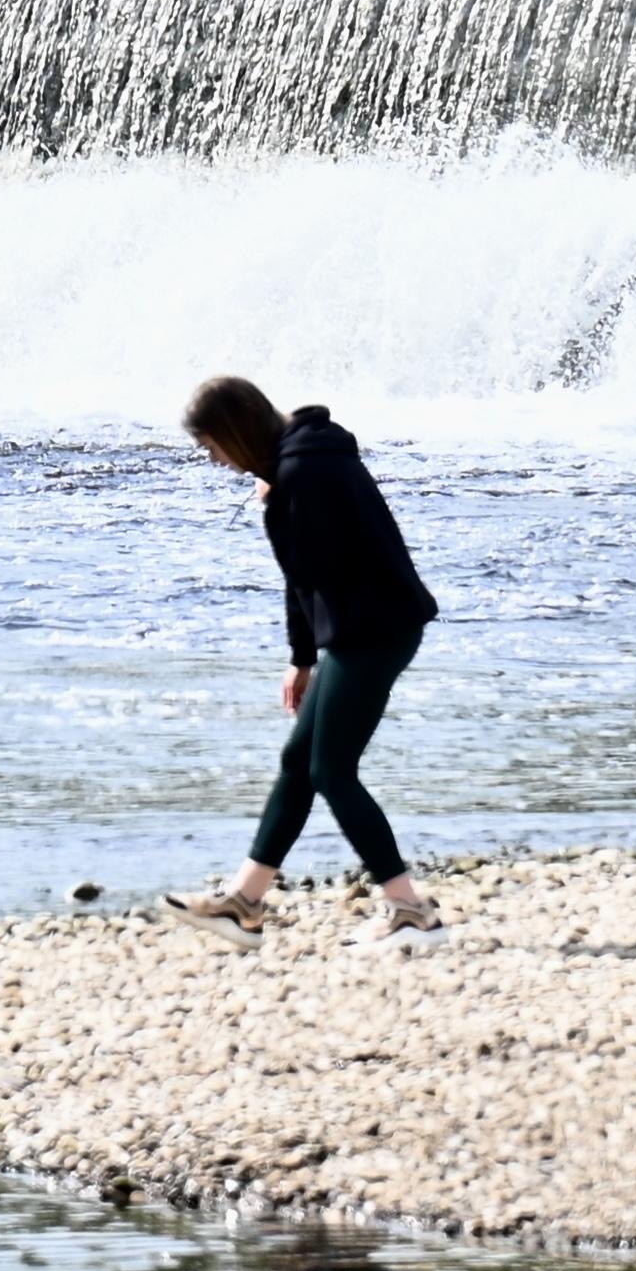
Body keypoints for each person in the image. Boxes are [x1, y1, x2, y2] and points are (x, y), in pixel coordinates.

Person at [163, 373, 441, 936]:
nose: (213, 460)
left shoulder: (301, 475)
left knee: (332, 771)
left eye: (210, 446)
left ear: (233, 433)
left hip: (373, 633)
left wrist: (277, 511)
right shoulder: (306, 458)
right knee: (300, 763)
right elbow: (311, 579)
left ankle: (411, 910)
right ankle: (245, 903)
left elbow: (308, 574)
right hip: (365, 628)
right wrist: (303, 660)